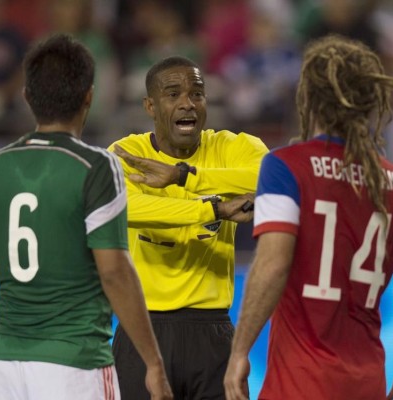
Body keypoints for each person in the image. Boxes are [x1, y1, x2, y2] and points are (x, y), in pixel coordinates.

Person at [0, 33, 172, 400]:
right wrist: (153, 362)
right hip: (76, 362)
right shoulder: (96, 167)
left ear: (27, 97)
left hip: (5, 366)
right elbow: (115, 272)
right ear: (89, 96)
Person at [224, 34, 393, 400]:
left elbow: (274, 263)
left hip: (299, 384)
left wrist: (240, 350)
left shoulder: (286, 166)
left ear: (308, 97)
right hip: (367, 384)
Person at [107, 55, 269, 399]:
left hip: (212, 331)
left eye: (197, 93)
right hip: (142, 331)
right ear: (150, 106)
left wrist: (183, 176)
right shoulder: (127, 153)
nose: (187, 103)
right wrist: (214, 208)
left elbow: (271, 176)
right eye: (173, 94)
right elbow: (125, 208)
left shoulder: (233, 147)